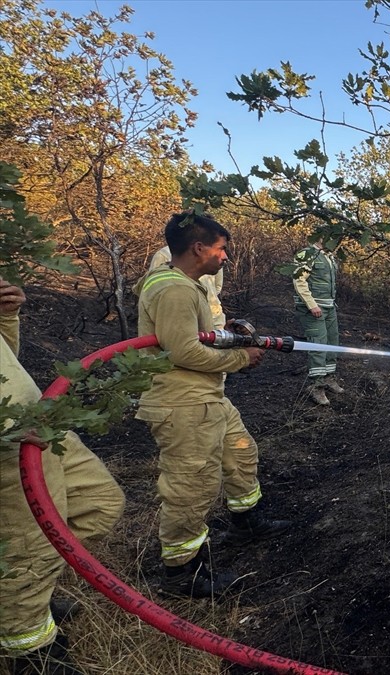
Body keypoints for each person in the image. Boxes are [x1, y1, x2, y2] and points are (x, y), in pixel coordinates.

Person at [134, 211, 290, 598]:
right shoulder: (175, 289)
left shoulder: (190, 286)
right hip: (183, 403)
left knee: (241, 454)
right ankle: (182, 573)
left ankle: (246, 521)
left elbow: (192, 336)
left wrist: (229, 335)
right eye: (221, 250)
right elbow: (182, 351)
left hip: (206, 397)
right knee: (192, 485)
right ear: (199, 248)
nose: (225, 258)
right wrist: (242, 358)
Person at [0, 277, 125, 675]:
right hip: (8, 448)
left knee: (101, 504)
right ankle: (31, 652)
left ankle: (24, 592)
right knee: (28, 553)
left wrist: (7, 316)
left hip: (39, 427)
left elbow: (6, 361)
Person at [291, 238, 344, 406]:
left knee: (332, 342)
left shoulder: (329, 256)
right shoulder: (306, 254)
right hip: (313, 308)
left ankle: (329, 377)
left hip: (329, 307)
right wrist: (311, 305)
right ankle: (316, 386)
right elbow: (299, 281)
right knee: (318, 344)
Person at [148, 244, 225, 326]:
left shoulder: (213, 253)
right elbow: (153, 291)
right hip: (180, 321)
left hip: (213, 317)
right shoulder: (164, 255)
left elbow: (217, 286)